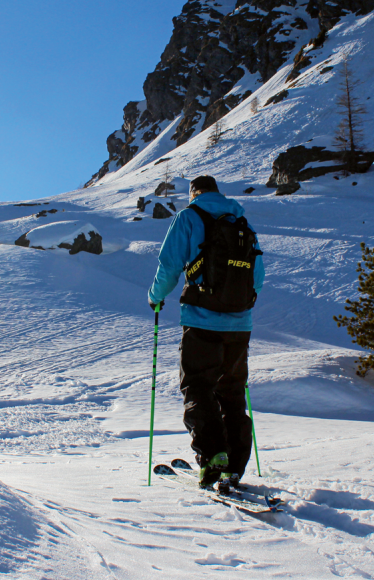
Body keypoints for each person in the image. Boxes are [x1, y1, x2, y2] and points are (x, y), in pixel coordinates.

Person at [148, 175, 265, 488]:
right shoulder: (242, 222)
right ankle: (235, 464)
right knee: (232, 391)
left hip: (202, 321)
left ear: (194, 194)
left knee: (198, 387)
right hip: (240, 324)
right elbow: (258, 277)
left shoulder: (188, 217)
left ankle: (214, 458)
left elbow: (170, 265)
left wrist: (156, 297)